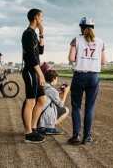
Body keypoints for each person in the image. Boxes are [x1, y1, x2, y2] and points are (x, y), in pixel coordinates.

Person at [68, 17, 106, 145]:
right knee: (89, 108)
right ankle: (87, 136)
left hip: (79, 75)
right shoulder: (101, 42)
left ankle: (76, 135)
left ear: (81, 28)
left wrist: (81, 59)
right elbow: (103, 62)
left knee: (76, 106)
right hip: (93, 76)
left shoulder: (76, 40)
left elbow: (71, 58)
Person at [21, 9, 47, 144]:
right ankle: (28, 133)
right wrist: (41, 74)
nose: (42, 19)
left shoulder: (34, 34)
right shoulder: (27, 34)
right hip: (30, 72)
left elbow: (40, 52)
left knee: (42, 100)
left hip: (34, 71)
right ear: (36, 17)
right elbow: (30, 57)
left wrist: (42, 34)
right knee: (30, 102)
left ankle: (33, 127)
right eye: (41, 17)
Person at [37, 70, 70, 135]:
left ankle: (41, 127)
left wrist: (58, 92)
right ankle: (49, 128)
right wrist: (65, 93)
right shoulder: (52, 90)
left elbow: (48, 95)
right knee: (66, 110)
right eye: (56, 79)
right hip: (44, 115)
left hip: (37, 115)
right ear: (53, 79)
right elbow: (61, 105)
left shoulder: (42, 86)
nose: (57, 81)